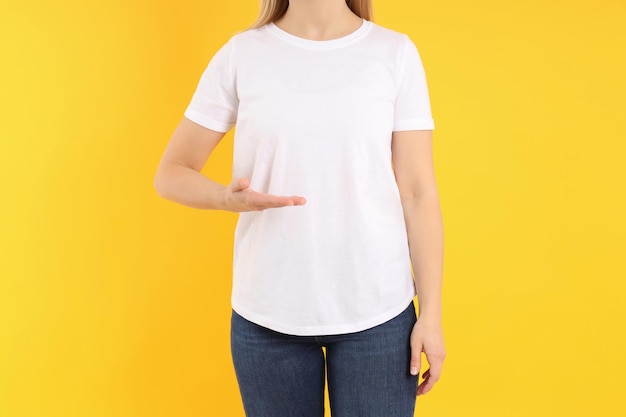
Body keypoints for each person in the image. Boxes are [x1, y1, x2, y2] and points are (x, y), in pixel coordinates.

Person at [154, 0, 446, 416]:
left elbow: (417, 191)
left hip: (378, 314)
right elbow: (171, 172)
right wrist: (225, 198)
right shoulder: (243, 54)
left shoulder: (394, 53)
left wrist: (431, 314)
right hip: (267, 314)